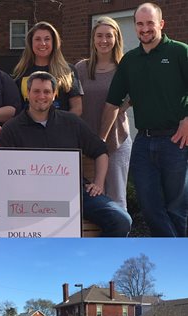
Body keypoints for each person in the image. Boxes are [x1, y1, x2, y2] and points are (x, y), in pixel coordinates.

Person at [0, 71, 132, 237]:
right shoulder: (11, 128)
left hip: (75, 194)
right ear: (27, 93)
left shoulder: (71, 122)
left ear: (54, 95)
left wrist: (98, 183)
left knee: (121, 220)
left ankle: (93, 258)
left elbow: (100, 151)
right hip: (30, 199)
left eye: (47, 92)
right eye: (36, 91)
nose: (41, 96)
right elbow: (1, 167)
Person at [100, 2, 188, 237]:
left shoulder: (180, 52)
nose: (145, 28)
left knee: (177, 208)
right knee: (150, 209)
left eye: (150, 23)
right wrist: (101, 139)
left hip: (176, 141)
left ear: (161, 24)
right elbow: (112, 103)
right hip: (143, 142)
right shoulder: (130, 60)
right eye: (140, 24)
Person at [75, 17, 132, 211]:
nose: (104, 40)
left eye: (109, 35)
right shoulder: (81, 68)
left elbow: (140, 94)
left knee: (116, 198)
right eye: (99, 35)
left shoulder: (125, 68)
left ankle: (118, 240)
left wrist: (122, 107)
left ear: (117, 38)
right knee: (88, 196)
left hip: (116, 141)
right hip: (86, 143)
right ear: (93, 39)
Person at [13, 21, 83, 115]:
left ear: (54, 42)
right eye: (37, 39)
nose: (43, 43)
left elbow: (77, 108)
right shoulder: (20, 71)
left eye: (47, 39)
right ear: (30, 43)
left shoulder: (68, 71)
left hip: (60, 127)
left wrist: (63, 126)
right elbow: (16, 108)